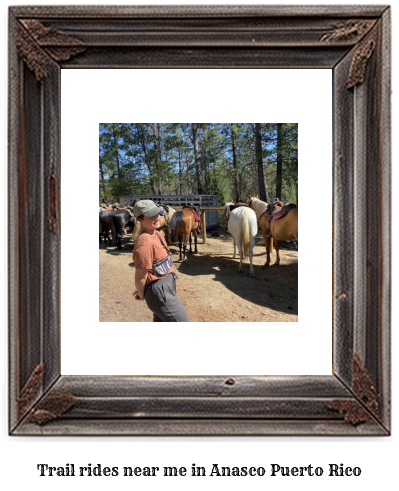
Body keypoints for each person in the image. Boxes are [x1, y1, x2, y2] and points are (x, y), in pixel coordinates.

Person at [132, 200, 189, 322]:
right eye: (151, 215)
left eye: (157, 213)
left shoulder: (158, 234)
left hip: (167, 286)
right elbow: (140, 277)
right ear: (140, 219)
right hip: (159, 292)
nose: (157, 217)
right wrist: (142, 294)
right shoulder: (144, 243)